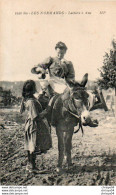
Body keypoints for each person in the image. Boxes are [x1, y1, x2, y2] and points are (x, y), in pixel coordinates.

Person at [20, 80, 52, 172]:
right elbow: (36, 116)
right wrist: (47, 110)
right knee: (33, 145)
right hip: (34, 125)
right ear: (33, 89)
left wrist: (41, 95)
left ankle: (29, 164)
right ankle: (32, 167)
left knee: (31, 145)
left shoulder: (27, 99)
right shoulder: (32, 102)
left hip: (30, 124)